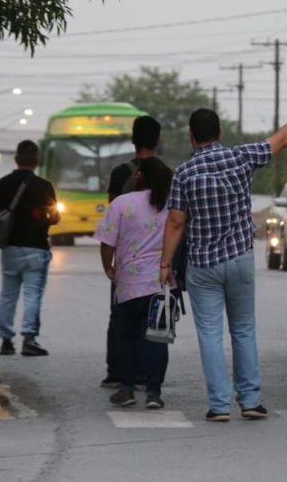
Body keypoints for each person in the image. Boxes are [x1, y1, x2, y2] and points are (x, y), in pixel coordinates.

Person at [160, 93, 287, 422]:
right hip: (239, 259)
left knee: (209, 334)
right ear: (219, 131)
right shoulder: (240, 158)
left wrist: (164, 265)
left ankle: (219, 406)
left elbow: (176, 223)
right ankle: (250, 400)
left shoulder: (184, 173)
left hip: (203, 265)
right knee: (244, 330)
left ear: (192, 137)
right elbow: (280, 141)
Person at [95, 156, 174, 409]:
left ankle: (127, 389)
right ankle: (153, 393)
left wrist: (109, 267)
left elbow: (107, 242)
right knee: (157, 340)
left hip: (128, 284)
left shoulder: (121, 203)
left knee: (127, 338)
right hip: (160, 286)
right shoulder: (171, 205)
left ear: (138, 176)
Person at [101, 114, 160, 389]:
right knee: (151, 320)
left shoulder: (119, 173)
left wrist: (109, 264)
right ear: (158, 140)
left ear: (133, 140)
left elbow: (113, 217)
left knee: (120, 318)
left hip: (125, 261)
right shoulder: (164, 172)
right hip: (156, 264)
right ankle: (145, 374)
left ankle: (116, 372)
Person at [0, 140, 60, 357]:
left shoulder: (2, 184)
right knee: (33, 294)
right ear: (37, 160)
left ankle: (6, 341)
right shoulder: (44, 186)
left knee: (8, 295)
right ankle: (29, 339)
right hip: (36, 248)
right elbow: (54, 217)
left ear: (16, 159)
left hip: (10, 247)